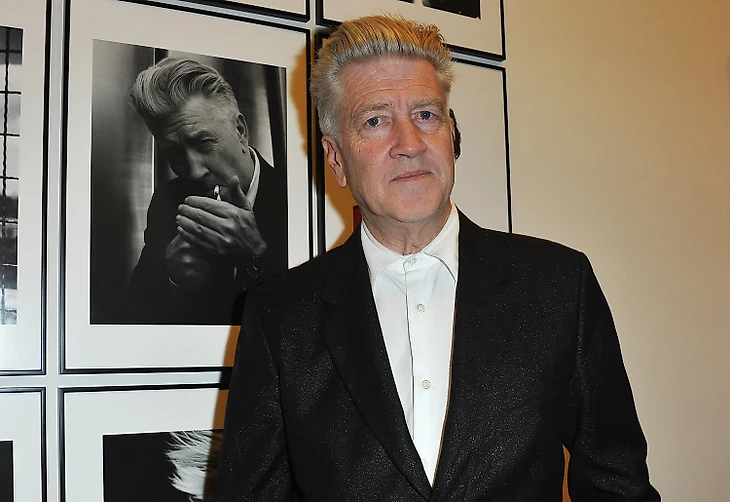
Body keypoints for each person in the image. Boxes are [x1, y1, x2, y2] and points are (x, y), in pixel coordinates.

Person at [216, 15, 660, 501]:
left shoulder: (559, 286)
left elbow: (618, 485)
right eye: (375, 120)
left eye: (426, 115)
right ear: (337, 159)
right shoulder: (279, 317)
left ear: (452, 133)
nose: (409, 144)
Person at [124, 57, 287, 325]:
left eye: (203, 142)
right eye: (174, 154)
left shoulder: (296, 200)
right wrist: (173, 280)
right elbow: (128, 318)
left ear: (240, 130)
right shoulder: (168, 201)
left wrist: (256, 255)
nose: (194, 171)